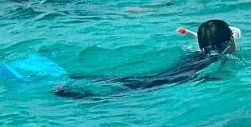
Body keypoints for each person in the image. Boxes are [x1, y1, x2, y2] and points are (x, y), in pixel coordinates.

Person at [54, 20, 238, 98]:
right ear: (229, 40)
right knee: (124, 92)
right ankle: (73, 95)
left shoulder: (194, 54)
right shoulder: (219, 61)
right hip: (169, 80)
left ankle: (73, 78)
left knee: (126, 81)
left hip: (166, 74)